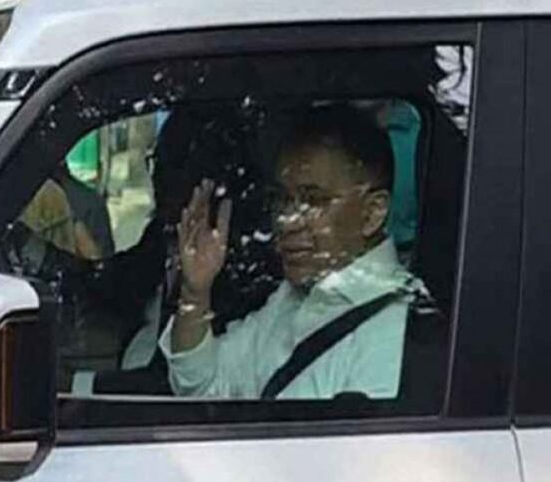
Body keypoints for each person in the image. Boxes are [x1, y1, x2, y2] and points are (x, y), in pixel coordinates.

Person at [160, 104, 417, 400]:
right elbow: (205, 386)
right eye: (282, 199)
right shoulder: (290, 299)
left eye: (314, 201)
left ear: (372, 213)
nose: (286, 220)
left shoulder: (394, 333)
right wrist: (195, 293)